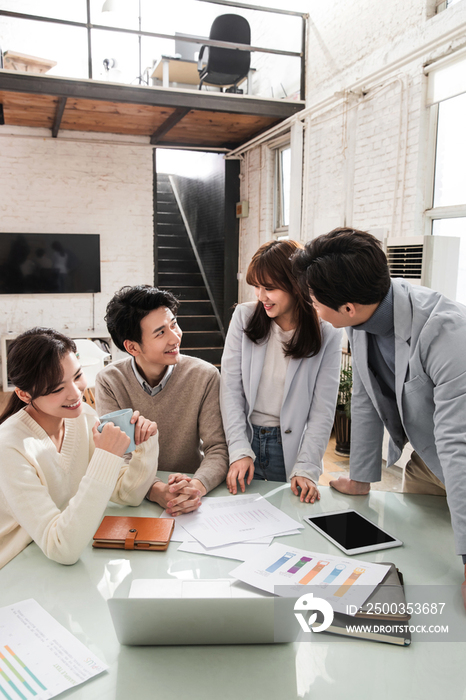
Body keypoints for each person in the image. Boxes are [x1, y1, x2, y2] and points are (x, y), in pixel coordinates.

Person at [293, 227, 466, 608]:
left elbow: (458, 445)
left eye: (314, 300)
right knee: (423, 574)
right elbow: (365, 396)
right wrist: (360, 476)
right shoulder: (362, 318)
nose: (312, 307)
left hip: (461, 462)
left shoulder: (447, 332)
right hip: (426, 464)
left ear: (348, 307)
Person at [0, 328, 158, 569]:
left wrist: (145, 444)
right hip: (15, 567)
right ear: (23, 394)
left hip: (55, 560)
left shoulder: (82, 417)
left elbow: (127, 494)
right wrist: (106, 456)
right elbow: (61, 547)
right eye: (56, 389)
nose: (76, 394)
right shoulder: (10, 447)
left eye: (77, 376)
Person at [220, 239, 342, 503]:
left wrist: (307, 467)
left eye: (270, 288)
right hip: (244, 438)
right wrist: (239, 449)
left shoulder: (327, 332)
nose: (260, 296)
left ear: (296, 284)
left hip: (288, 447)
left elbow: (323, 409)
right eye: (256, 287)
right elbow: (230, 389)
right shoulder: (244, 317)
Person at [95, 285, 229, 516]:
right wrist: (156, 490)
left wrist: (195, 488)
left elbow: (217, 447)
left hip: (190, 493)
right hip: (135, 496)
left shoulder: (204, 375)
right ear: (132, 347)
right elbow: (119, 454)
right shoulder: (110, 380)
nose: (175, 337)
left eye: (174, 324)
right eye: (160, 333)